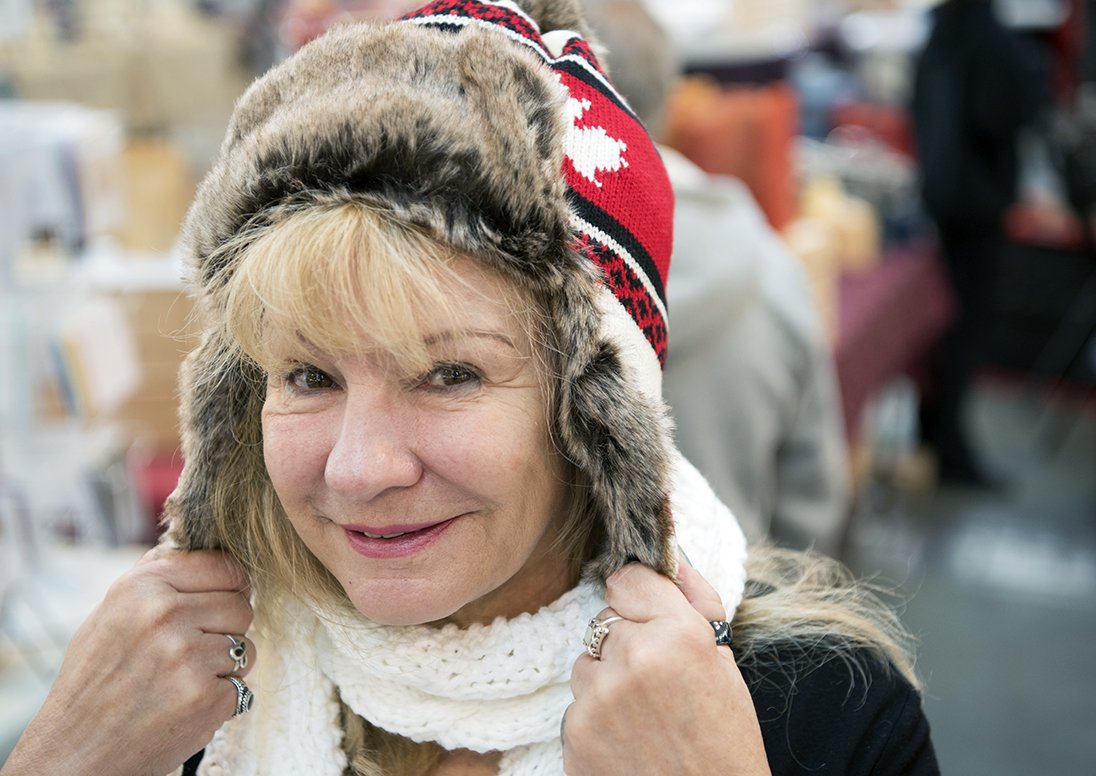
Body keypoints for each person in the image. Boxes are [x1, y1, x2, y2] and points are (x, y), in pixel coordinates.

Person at [1, 2, 939, 774]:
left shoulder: (819, 719)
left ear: (596, 417)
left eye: (449, 374)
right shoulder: (190, 698)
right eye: (308, 376)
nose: (360, 468)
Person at [583, 0, 851, 556]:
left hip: (537, 634)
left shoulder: (496, 266)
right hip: (731, 612)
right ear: (670, 100)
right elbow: (813, 500)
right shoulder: (772, 268)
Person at [911, 0, 1040, 486]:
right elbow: (1002, 114)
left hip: (943, 201)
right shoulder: (985, 35)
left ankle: (935, 438)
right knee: (964, 331)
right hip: (978, 205)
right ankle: (953, 454)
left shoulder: (938, 32)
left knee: (942, 329)